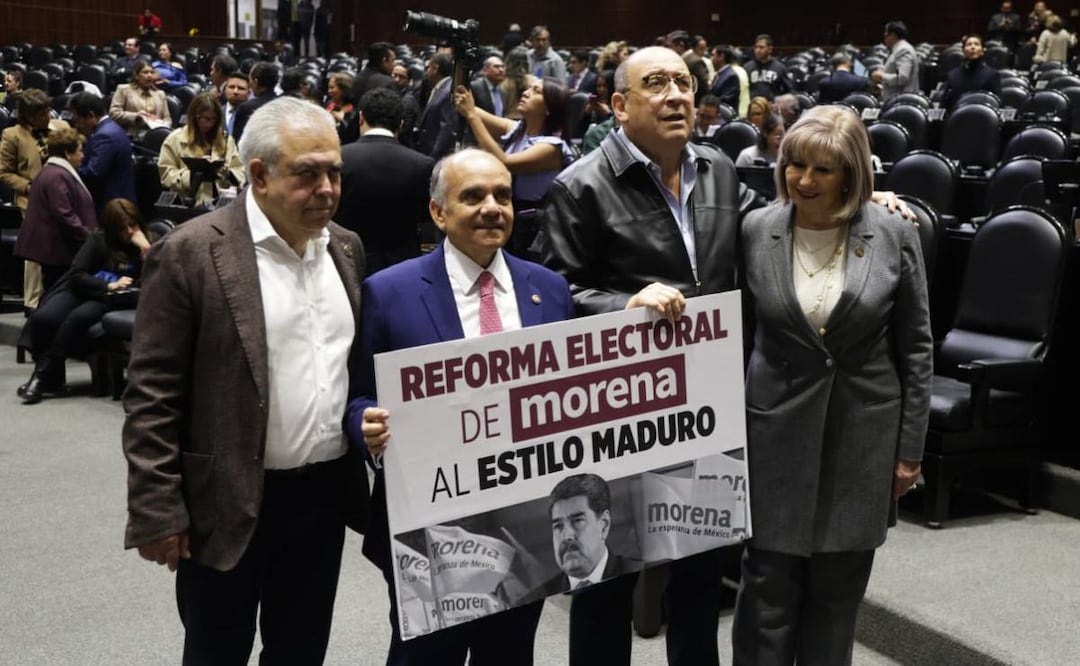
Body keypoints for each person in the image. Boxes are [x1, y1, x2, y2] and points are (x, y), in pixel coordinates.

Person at [540, 44, 911, 666]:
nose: (675, 94)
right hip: (623, 411)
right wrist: (621, 304)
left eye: (683, 82)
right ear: (619, 104)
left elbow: (783, 224)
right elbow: (555, 294)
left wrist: (872, 204)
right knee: (611, 581)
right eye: (655, 83)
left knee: (698, 575)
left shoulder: (714, 167)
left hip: (707, 406)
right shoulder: (579, 185)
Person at [122, 96, 369, 664]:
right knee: (217, 650)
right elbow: (152, 394)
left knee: (301, 649)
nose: (328, 188)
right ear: (259, 174)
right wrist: (158, 508)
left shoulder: (347, 249)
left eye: (335, 171)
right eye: (308, 174)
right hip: (225, 499)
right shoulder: (189, 253)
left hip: (322, 497)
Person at [347, 148, 574, 666]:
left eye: (502, 196)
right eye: (472, 196)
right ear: (438, 212)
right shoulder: (389, 292)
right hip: (428, 527)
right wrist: (365, 425)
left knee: (510, 655)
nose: (492, 208)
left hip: (527, 527)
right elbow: (357, 395)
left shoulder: (551, 291)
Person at [732, 103, 931, 666]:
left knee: (836, 596)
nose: (804, 180)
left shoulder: (894, 231)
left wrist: (909, 452)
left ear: (851, 172)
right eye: (795, 164)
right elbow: (742, 336)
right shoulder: (756, 228)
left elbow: (916, 348)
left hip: (861, 439)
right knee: (765, 590)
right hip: (772, 433)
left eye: (822, 169)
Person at [19, 198, 149, 404]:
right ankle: (52, 378)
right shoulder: (99, 240)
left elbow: (154, 279)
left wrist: (147, 252)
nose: (130, 232)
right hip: (85, 289)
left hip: (112, 300)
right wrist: (108, 285)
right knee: (44, 317)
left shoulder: (143, 245)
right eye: (124, 228)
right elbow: (77, 274)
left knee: (77, 319)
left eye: (133, 225)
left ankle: (40, 377)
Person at [454, 76, 576, 257]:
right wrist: (460, 79)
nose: (526, 93)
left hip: (531, 227)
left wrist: (471, 115)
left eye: (536, 91)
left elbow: (505, 163)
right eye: (529, 89)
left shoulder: (552, 147)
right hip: (510, 214)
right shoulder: (518, 130)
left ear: (549, 108)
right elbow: (469, 107)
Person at [339, 88, 434, 276]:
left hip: (347, 263)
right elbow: (426, 214)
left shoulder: (339, 158)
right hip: (402, 265)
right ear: (401, 123)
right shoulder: (423, 164)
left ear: (361, 117)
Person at [0, 88, 71, 310]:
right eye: (41, 113)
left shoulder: (62, 129)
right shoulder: (13, 135)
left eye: (48, 110)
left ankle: (59, 299)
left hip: (63, 198)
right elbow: (4, 172)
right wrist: (28, 187)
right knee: (36, 251)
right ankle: (33, 304)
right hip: (31, 201)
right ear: (28, 115)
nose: (48, 116)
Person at [13, 126, 96, 311]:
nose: (83, 156)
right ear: (67, 153)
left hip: (55, 248)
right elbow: (64, 214)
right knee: (54, 297)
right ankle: (37, 335)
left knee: (53, 295)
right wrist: (89, 237)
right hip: (57, 249)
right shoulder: (57, 175)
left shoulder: (52, 171)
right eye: (80, 151)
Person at [528, 474, 625, 599]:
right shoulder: (536, 599)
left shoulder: (644, 575)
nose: (567, 536)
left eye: (577, 521)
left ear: (604, 525)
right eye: (558, 526)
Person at [158, 92, 245, 207]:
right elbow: (166, 175)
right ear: (195, 117)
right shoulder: (175, 139)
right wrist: (194, 174)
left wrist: (227, 173)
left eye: (214, 119)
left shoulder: (226, 140)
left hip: (220, 203)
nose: (210, 124)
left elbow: (240, 171)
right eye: (206, 119)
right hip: (188, 202)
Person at [69, 92, 137, 216]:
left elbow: (93, 174)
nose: (77, 125)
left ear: (91, 115)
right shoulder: (109, 128)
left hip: (112, 206)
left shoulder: (105, 136)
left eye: (78, 119)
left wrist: (67, 169)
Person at [940, 34, 1002, 111]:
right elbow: (944, 105)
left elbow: (997, 104)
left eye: (976, 44)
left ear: (982, 51)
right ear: (963, 50)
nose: (972, 47)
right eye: (969, 44)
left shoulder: (992, 75)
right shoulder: (953, 75)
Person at [109, 60, 169, 137]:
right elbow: (114, 113)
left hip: (155, 136)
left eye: (151, 72)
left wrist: (162, 127)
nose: (149, 75)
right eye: (145, 72)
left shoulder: (160, 94)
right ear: (136, 76)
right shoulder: (124, 90)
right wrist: (136, 116)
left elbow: (167, 119)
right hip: (131, 136)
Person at [231, 62, 279, 142]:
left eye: (250, 80)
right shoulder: (284, 105)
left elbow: (238, 139)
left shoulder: (247, 108)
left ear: (256, 82)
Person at [871, 21, 921, 100]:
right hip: (897, 99)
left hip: (901, 101)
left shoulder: (903, 50)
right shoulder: (899, 49)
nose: (884, 38)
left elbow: (903, 78)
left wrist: (881, 76)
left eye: (886, 35)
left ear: (893, 35)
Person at [744, 34, 792, 101]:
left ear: (770, 49)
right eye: (756, 47)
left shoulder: (780, 68)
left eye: (761, 47)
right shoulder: (747, 67)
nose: (757, 50)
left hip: (772, 107)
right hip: (753, 107)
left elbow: (789, 90)